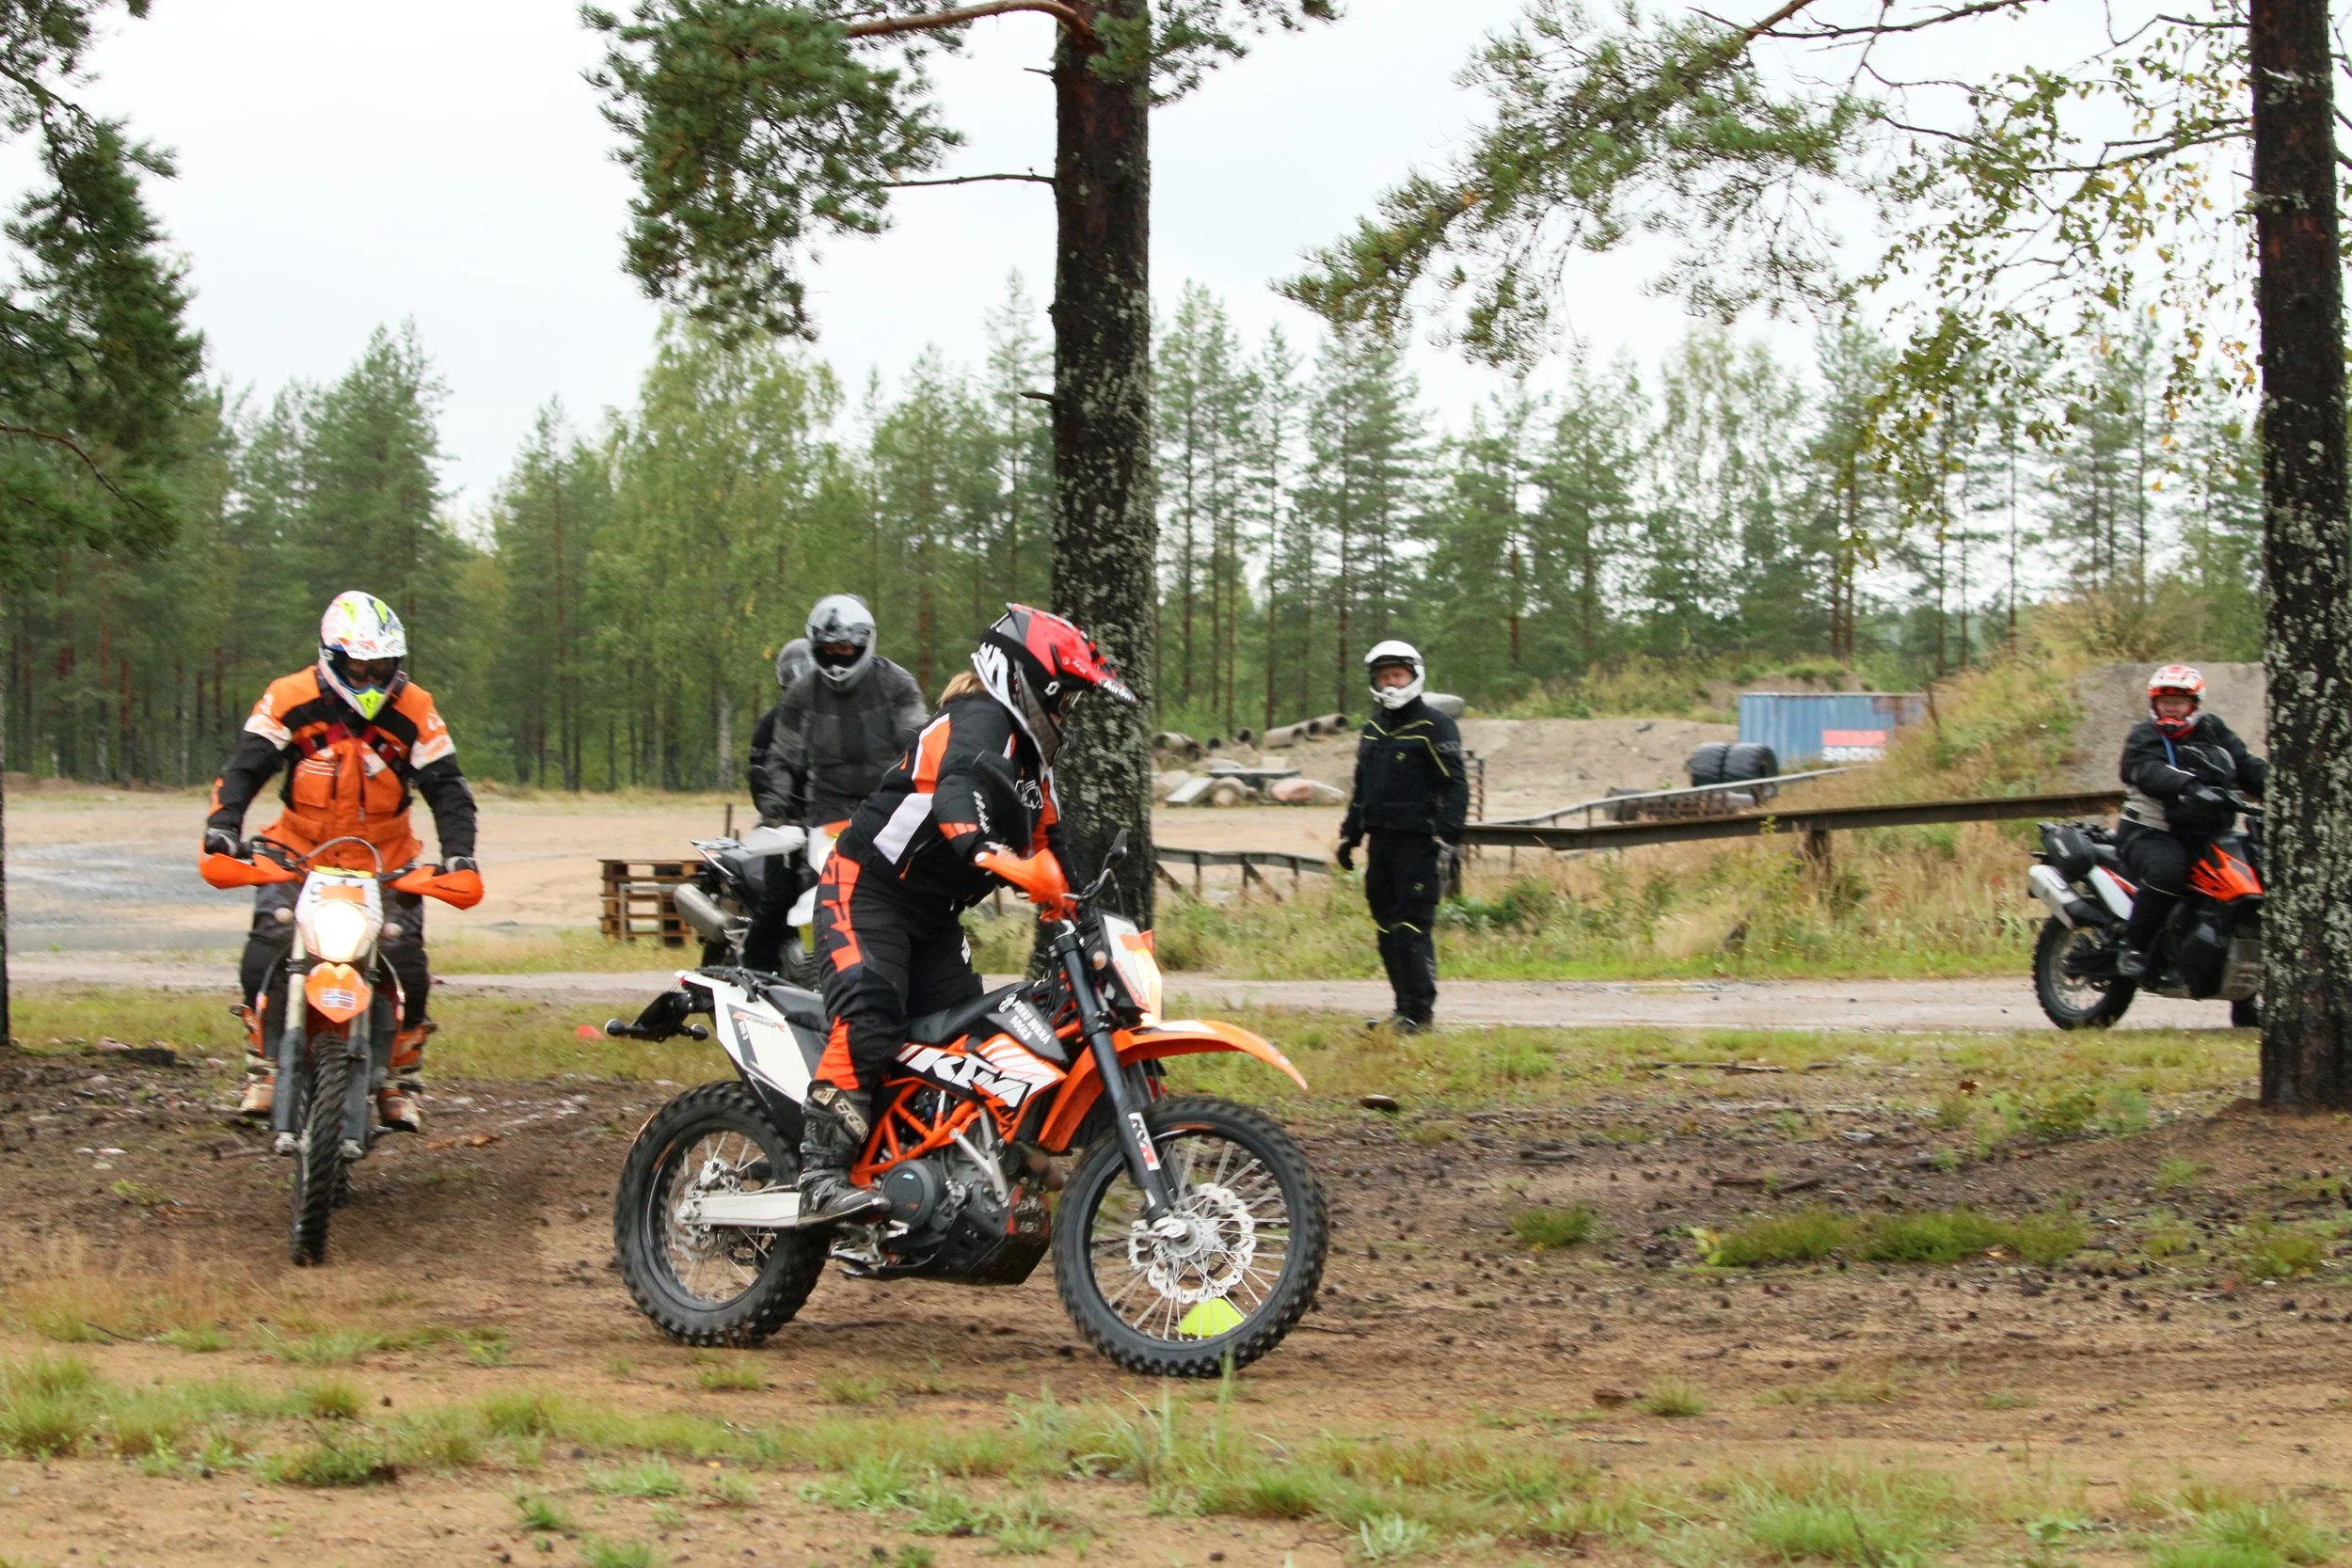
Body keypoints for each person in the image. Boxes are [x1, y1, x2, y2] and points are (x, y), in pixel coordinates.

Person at [796, 604, 1136, 1224]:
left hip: (930, 921)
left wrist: (1093, 929)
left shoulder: (1034, 763)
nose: (1066, 715)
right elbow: (958, 795)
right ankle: (818, 1174)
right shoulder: (977, 720)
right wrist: (995, 855)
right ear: (1030, 683)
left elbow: (1054, 853)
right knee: (872, 1014)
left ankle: (923, 1176)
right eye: (1063, 698)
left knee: (961, 1049)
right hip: (865, 892)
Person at [205, 591, 479, 1131]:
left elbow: (448, 789)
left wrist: (460, 857)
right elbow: (244, 769)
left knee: (409, 966)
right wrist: (222, 827)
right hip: (297, 856)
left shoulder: (415, 709)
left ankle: (401, 1078)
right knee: (266, 948)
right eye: (359, 665)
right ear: (331, 657)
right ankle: (263, 1066)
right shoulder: (288, 696)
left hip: (387, 863)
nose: (372, 677)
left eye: (383, 667)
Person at [743, 598, 927, 972]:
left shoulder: (897, 685)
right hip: (826, 813)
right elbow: (782, 757)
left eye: (844, 648)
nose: (837, 657)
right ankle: (756, 982)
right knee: (801, 896)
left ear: (865, 642)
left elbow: (922, 745)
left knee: (917, 896)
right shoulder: (802, 694)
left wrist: (928, 798)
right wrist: (774, 811)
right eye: (828, 649)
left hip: (888, 809)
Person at [1335, 641, 1469, 1034]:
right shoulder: (1373, 728)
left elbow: (1456, 786)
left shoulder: (1435, 725)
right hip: (1382, 842)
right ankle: (1401, 1008)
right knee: (1386, 925)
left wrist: (1448, 838)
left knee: (1412, 926)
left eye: (1398, 675)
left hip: (1419, 841)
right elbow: (1363, 788)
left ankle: (1420, 1014)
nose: (1392, 683)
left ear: (1414, 676)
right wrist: (1350, 836)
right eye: (1384, 676)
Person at [2115, 663, 2266, 981]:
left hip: (2207, 833)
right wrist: (2189, 787)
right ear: (2154, 702)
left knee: (2247, 877)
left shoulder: (2213, 730)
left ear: (2194, 704)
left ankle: (2244, 992)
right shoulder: (2145, 735)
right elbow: (2146, 770)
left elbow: (2245, 765)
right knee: (2167, 872)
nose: (2171, 706)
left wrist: (2283, 786)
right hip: (2150, 831)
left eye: (2179, 700)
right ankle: (2135, 947)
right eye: (2164, 699)